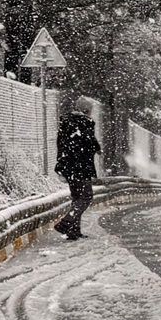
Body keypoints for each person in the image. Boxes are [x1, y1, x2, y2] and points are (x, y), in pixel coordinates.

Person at [54, 96, 101, 240]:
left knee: (76, 197)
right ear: (87, 110)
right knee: (86, 197)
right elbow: (88, 141)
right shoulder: (86, 122)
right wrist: (97, 149)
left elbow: (60, 143)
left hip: (68, 166)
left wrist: (62, 162)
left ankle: (73, 231)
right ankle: (66, 222)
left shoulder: (65, 121)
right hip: (81, 166)